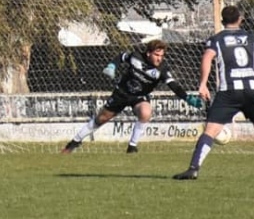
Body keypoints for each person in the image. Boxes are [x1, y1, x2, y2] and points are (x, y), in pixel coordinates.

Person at [173, 5, 254, 181]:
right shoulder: (251, 38)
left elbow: (207, 57)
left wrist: (203, 84)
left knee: (209, 131)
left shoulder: (216, 40)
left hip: (229, 92)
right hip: (252, 91)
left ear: (222, 20)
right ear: (240, 19)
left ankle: (193, 169)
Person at [62, 38, 203, 154]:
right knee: (101, 119)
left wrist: (187, 98)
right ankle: (73, 143)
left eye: (161, 56)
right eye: (156, 55)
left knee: (146, 112)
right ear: (148, 53)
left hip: (140, 97)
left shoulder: (162, 70)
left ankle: (132, 147)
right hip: (122, 93)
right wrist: (112, 66)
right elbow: (121, 57)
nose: (160, 58)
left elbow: (174, 86)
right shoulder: (136, 57)